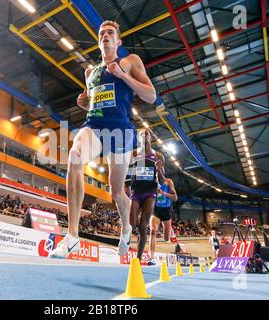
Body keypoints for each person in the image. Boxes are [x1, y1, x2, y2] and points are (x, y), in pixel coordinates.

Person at [49, 20, 157, 258]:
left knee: (117, 192)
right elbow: (95, 100)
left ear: (118, 41)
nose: (105, 35)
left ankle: (127, 227)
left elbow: (151, 96)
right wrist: (85, 102)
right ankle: (73, 236)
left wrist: (123, 76)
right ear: (99, 41)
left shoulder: (130, 62)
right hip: (95, 126)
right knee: (74, 157)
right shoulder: (90, 72)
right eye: (101, 33)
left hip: (120, 131)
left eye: (110, 33)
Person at [128, 129, 166, 262]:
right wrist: (126, 188)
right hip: (136, 192)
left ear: (151, 137)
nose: (144, 136)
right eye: (141, 135)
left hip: (150, 192)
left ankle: (137, 260)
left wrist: (160, 169)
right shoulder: (133, 154)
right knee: (132, 225)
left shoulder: (159, 155)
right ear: (138, 138)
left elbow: (162, 181)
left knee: (143, 225)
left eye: (147, 134)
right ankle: (126, 238)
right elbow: (126, 175)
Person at [147, 177, 177, 265]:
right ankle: (151, 258)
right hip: (156, 210)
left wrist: (163, 193)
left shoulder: (168, 181)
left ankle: (170, 229)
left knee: (166, 238)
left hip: (167, 211)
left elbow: (175, 198)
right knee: (153, 231)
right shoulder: (151, 182)